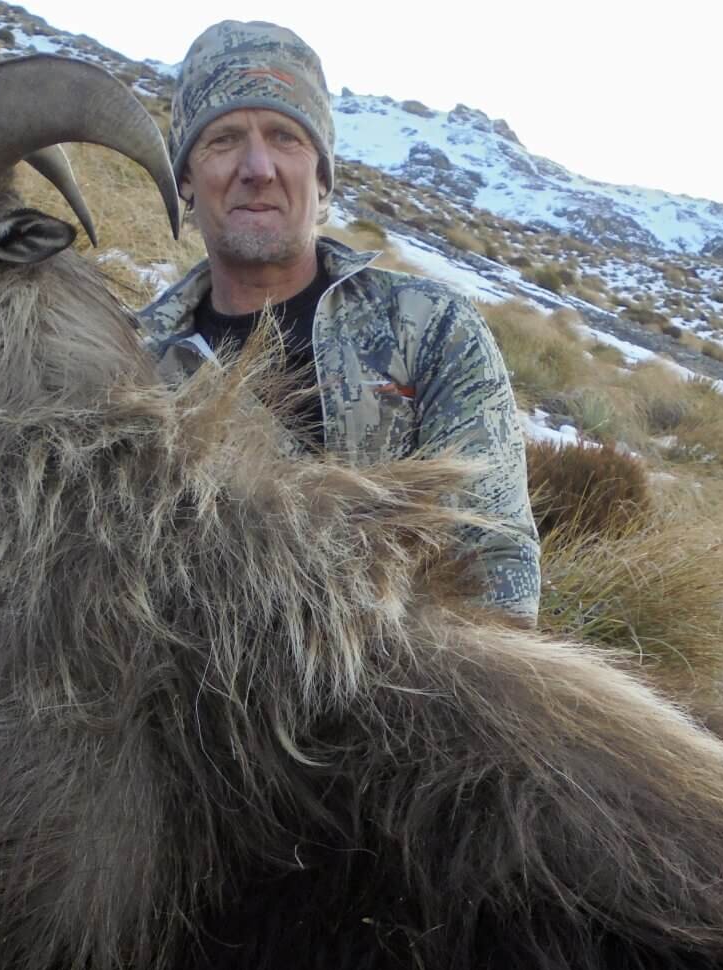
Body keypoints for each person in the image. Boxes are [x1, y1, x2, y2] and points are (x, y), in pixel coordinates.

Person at [138, 20, 541, 625]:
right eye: (222, 140)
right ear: (186, 180)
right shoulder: (137, 366)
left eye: (285, 138)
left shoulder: (432, 327)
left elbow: (494, 560)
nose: (257, 167)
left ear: (322, 179)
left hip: (419, 692)